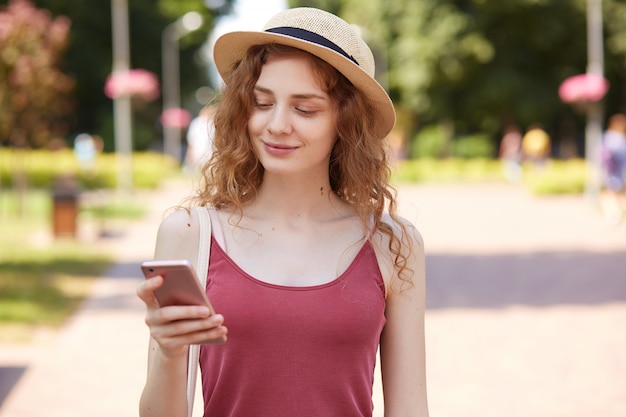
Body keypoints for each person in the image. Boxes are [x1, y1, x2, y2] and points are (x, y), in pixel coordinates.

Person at [136, 7, 428, 417]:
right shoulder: (188, 233)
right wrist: (168, 351)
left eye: (304, 109)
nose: (276, 124)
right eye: (262, 102)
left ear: (346, 122)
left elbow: (411, 408)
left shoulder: (392, 244)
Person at [600, 113, 626, 223]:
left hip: (610, 169)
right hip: (619, 169)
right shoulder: (621, 139)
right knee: (618, 191)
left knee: (610, 191)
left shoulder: (607, 137)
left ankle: (613, 212)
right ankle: (616, 212)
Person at [184, 105, 216, 175]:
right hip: (206, 151)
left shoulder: (196, 122)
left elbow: (191, 139)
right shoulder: (211, 123)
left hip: (201, 150)